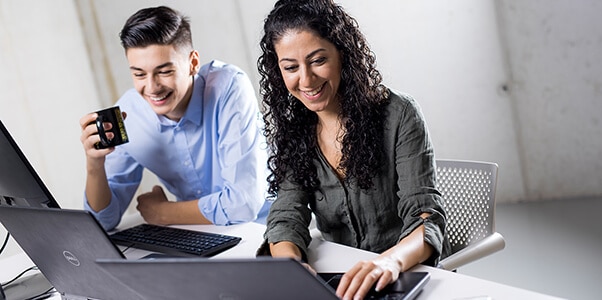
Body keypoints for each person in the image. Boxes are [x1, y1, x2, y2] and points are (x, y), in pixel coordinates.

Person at [257, 0, 449, 299]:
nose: (305, 80)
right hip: (342, 281)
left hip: (404, 272)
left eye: (318, 60)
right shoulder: (296, 130)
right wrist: (291, 266)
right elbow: (286, 216)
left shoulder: (399, 114)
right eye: (291, 67)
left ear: (342, 54)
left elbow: (426, 216)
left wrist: (389, 261)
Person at [78, 6, 267, 231]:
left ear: (193, 63)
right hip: (197, 234)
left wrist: (163, 213)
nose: (152, 88)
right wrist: (94, 164)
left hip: (262, 227)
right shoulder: (129, 114)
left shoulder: (228, 86)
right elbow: (102, 222)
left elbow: (243, 205)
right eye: (139, 74)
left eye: (164, 72)